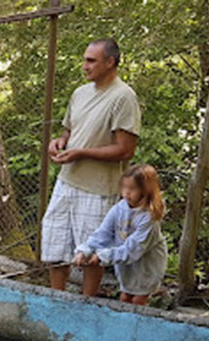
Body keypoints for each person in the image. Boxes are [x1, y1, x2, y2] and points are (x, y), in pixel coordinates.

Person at [43, 38, 141, 296]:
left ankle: (86, 306)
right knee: (55, 248)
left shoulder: (124, 97)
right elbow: (69, 130)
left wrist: (82, 153)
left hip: (98, 189)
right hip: (66, 181)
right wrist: (60, 142)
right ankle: (57, 300)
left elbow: (125, 149)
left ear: (110, 62)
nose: (84, 66)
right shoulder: (80, 93)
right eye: (85, 59)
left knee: (91, 253)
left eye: (91, 60)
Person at [73, 164, 168, 305]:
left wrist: (102, 256)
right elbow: (102, 234)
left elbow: (133, 249)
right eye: (124, 187)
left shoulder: (149, 217)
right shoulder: (119, 209)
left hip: (145, 266)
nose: (127, 192)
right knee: (125, 298)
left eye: (132, 189)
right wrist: (85, 250)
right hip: (126, 267)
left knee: (138, 300)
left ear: (145, 190)